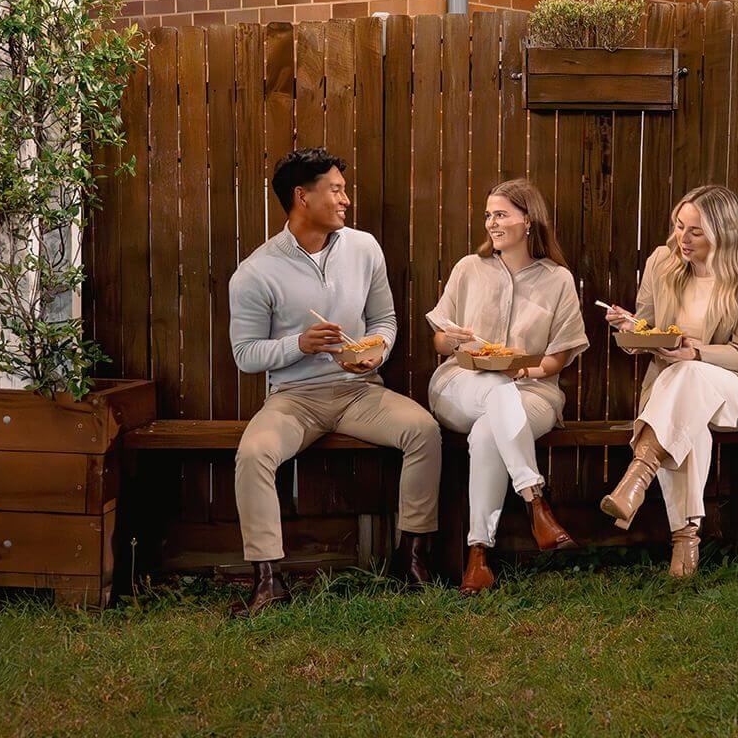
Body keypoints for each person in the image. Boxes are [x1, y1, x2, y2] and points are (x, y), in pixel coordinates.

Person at [228, 148, 442, 616]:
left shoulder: (364, 248)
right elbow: (245, 355)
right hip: (294, 399)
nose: (345, 199)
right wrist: (298, 345)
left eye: (344, 190)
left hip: (358, 392)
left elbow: (384, 319)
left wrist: (375, 352)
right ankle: (267, 579)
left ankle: (412, 559)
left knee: (423, 430)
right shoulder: (256, 272)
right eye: (336, 189)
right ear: (302, 197)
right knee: (254, 454)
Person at [600, 184, 738, 578]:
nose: (682, 238)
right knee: (689, 427)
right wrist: (630, 327)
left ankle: (640, 472)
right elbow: (647, 329)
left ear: (723, 232)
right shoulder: (661, 263)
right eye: (679, 226)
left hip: (736, 389)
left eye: (695, 231)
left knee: (689, 373)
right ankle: (686, 544)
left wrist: (695, 352)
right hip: (677, 392)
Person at [427, 179, 589, 594]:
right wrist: (455, 340)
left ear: (528, 220)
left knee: (488, 432)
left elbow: (558, 358)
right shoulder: (469, 268)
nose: (491, 223)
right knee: (496, 391)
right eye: (488, 215)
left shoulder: (558, 280)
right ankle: (536, 500)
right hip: (460, 383)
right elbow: (440, 341)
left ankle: (478, 557)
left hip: (533, 393)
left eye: (500, 214)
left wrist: (523, 371)